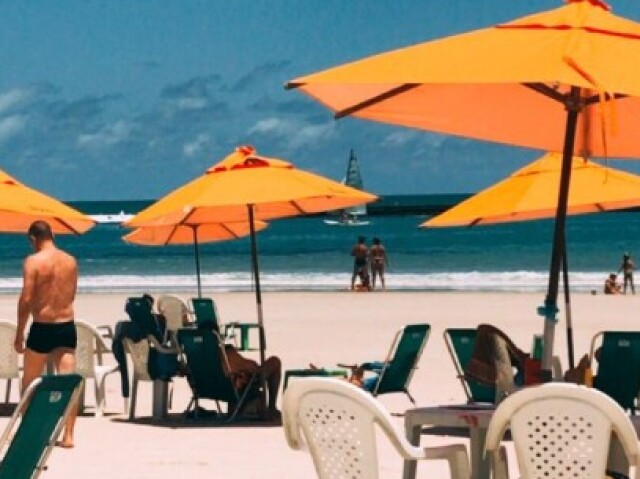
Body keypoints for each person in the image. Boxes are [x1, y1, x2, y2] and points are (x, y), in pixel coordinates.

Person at [14, 220, 79, 448]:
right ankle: (69, 435)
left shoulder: (33, 261)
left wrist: (20, 331)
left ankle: (27, 431)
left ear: (33, 238)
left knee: (30, 381)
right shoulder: (70, 260)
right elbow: (71, 294)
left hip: (42, 327)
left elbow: (27, 298)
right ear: (52, 234)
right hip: (66, 325)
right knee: (67, 383)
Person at [223, 345, 282, 420]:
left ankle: (267, 408)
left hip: (221, 389)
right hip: (239, 389)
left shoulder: (207, 358)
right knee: (275, 361)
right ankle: (271, 408)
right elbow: (252, 366)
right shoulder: (227, 354)